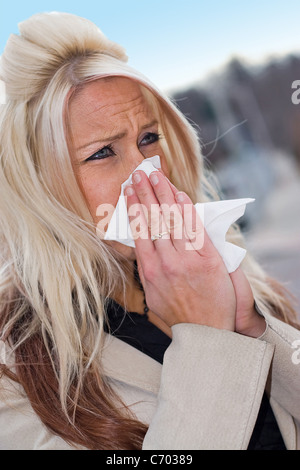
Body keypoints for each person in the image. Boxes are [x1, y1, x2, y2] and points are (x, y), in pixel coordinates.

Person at [0, 12, 299, 451]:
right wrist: (206, 339)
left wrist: (249, 325)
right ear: (42, 188)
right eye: (102, 152)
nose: (145, 170)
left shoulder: (235, 272)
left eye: (148, 138)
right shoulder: (17, 366)